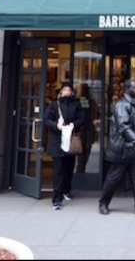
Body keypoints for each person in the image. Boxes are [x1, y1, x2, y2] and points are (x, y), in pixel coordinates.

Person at [98, 79, 135, 215]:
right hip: (122, 149)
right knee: (113, 177)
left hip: (134, 149)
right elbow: (123, 126)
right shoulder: (122, 105)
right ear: (126, 89)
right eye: (134, 87)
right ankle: (103, 203)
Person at [44, 82, 86, 210]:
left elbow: (83, 118)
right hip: (57, 141)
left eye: (69, 90)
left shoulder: (76, 104)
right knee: (58, 170)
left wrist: (74, 124)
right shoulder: (54, 105)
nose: (67, 92)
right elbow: (46, 119)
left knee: (68, 168)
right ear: (60, 92)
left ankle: (66, 189)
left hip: (70, 141)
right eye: (65, 90)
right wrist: (57, 125)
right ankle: (57, 198)